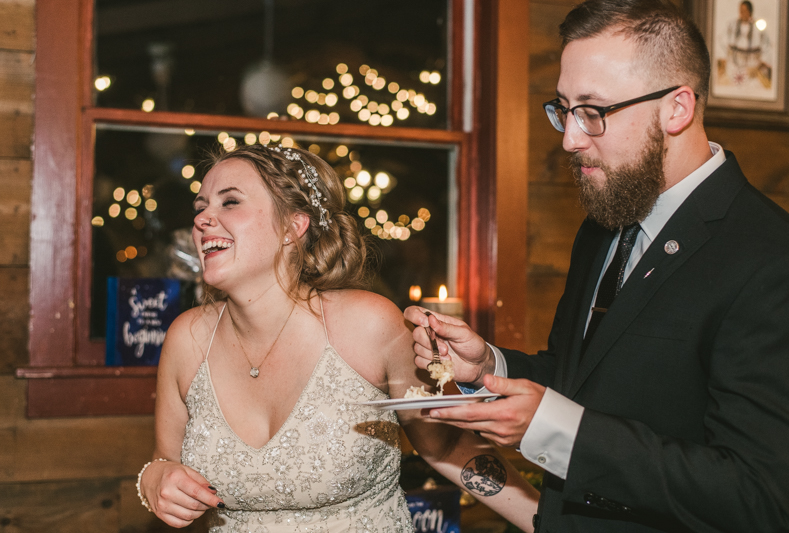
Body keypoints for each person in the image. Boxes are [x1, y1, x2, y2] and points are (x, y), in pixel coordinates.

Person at [405, 1, 789, 532]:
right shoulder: (604, 227)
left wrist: (555, 432)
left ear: (677, 109)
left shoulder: (773, 258)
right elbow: (582, 380)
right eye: (563, 109)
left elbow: (762, 498)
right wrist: (489, 369)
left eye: (593, 111)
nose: (569, 138)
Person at [136, 143, 540, 532]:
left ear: (292, 227)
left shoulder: (369, 324)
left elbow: (449, 447)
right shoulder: (186, 339)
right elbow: (163, 461)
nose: (203, 219)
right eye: (201, 207)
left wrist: (550, 523)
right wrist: (155, 480)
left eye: (230, 201)